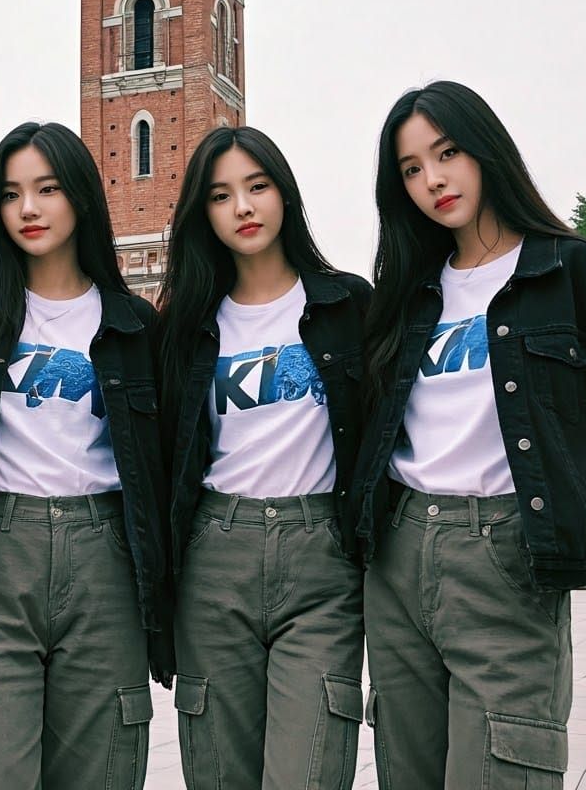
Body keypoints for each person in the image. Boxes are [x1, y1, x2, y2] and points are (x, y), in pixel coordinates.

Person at [353, 80, 586, 788]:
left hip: (506, 555)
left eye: (447, 153)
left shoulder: (573, 269)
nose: (432, 179)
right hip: (400, 560)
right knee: (409, 772)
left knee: (502, 771)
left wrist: (581, 512)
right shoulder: (410, 290)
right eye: (411, 169)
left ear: (486, 151)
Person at [0, 121, 171, 789]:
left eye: (48, 189)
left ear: (83, 199)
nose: (29, 209)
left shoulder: (133, 324)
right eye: (11, 195)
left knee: (103, 765)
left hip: (105, 557)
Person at [159, 125, 370, 789]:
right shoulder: (186, 325)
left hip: (322, 560)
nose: (243, 207)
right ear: (204, 214)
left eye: (257, 187)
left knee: (309, 771)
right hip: (215, 554)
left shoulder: (346, 305)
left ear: (285, 195)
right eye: (221, 196)